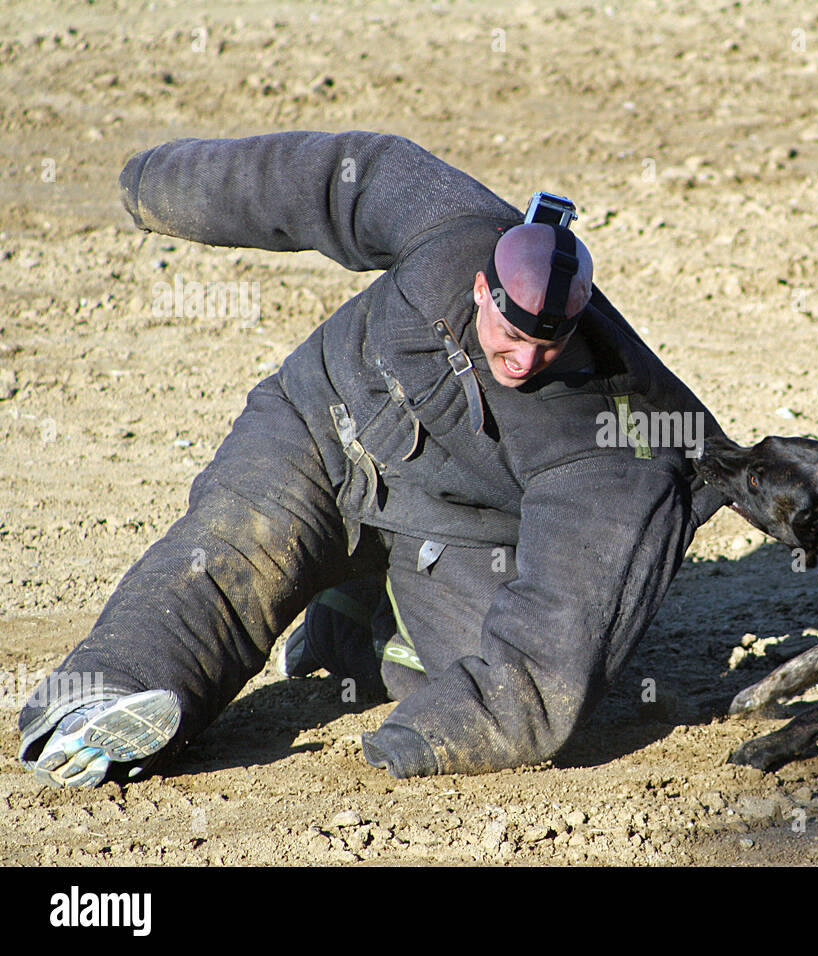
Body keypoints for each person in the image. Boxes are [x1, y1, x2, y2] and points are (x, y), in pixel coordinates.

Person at [18, 130, 725, 787]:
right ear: (484, 286)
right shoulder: (452, 226)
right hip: (319, 430)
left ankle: (349, 623)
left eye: (551, 343)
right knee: (233, 554)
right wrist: (155, 184)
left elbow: (550, 654)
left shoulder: (608, 431)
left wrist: (418, 743)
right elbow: (321, 179)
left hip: (450, 537)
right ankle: (96, 703)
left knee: (471, 666)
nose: (526, 357)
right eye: (510, 331)